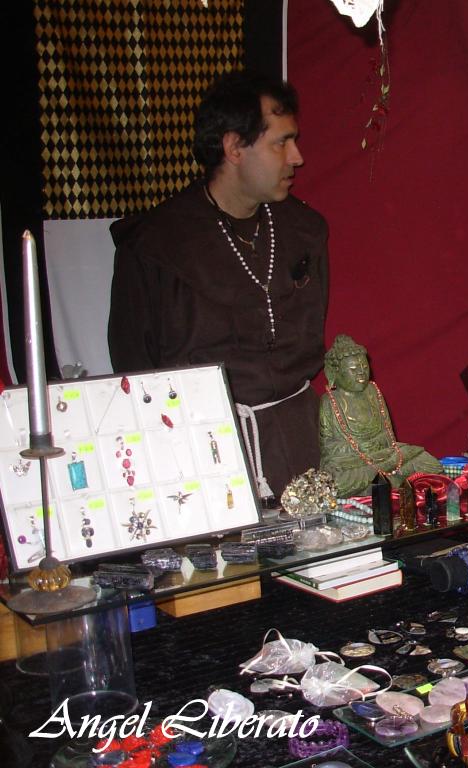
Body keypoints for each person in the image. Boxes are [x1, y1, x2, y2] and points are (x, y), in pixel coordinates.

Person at [108, 71, 328, 500]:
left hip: (300, 451)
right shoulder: (155, 247)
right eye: (280, 142)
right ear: (233, 147)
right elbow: (133, 371)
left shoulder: (305, 230)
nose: (297, 157)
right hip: (200, 459)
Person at [319, 335, 442, 498]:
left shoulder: (373, 391)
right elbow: (328, 447)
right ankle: (389, 479)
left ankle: (383, 481)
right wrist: (358, 447)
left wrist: (377, 446)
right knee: (335, 483)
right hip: (351, 462)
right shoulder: (329, 400)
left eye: (364, 366)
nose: (361, 372)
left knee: (428, 462)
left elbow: (389, 436)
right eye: (353, 369)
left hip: (384, 454)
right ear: (336, 373)